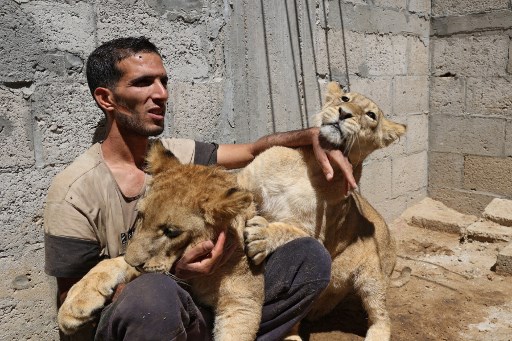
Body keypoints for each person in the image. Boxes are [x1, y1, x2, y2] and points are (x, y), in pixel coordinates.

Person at [44, 36, 356, 341]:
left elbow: (252, 150)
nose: (161, 94)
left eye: (163, 82)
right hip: (139, 313)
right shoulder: (75, 191)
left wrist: (316, 135)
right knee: (154, 297)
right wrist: (173, 273)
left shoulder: (173, 156)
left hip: (193, 304)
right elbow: (70, 304)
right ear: (106, 98)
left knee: (309, 257)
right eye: (143, 83)